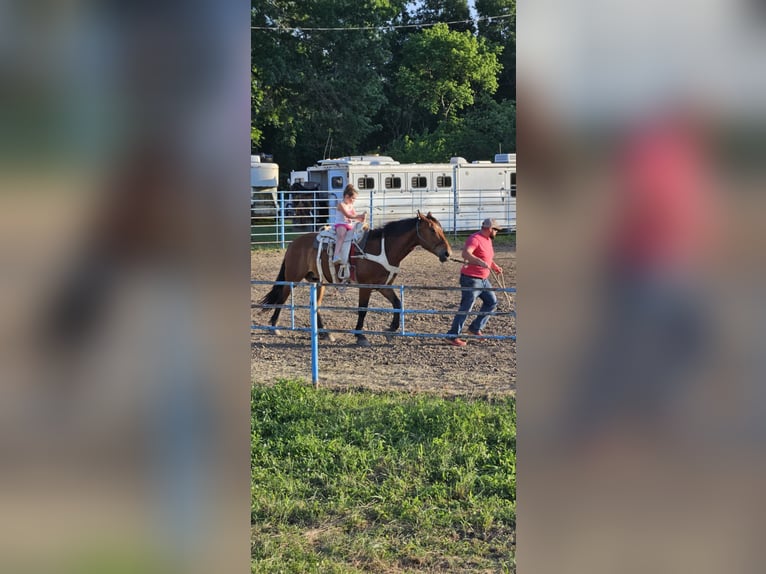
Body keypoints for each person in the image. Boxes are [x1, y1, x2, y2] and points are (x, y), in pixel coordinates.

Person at [446, 218, 504, 347]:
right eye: (496, 230)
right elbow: (466, 254)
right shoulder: (475, 239)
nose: (497, 232)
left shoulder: (488, 240)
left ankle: (475, 328)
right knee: (466, 307)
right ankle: (452, 335)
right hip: (471, 279)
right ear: (490, 229)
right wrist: (478, 261)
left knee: (491, 302)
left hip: (483, 279)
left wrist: (494, 266)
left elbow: (486, 258)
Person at [332, 184, 367, 264]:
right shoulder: (341, 204)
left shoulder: (350, 205)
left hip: (349, 225)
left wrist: (362, 217)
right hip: (341, 224)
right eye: (353, 198)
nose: (354, 200)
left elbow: (355, 216)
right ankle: (336, 255)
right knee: (341, 236)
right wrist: (359, 216)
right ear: (347, 196)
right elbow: (348, 215)